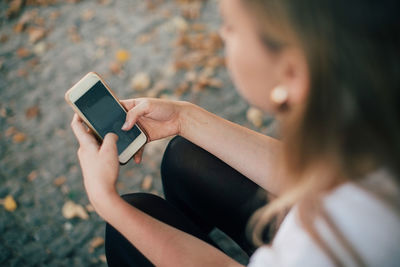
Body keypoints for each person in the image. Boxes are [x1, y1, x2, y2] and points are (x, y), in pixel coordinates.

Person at [70, 0, 400, 266]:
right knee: (187, 155)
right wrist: (185, 118)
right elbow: (328, 179)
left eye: (231, 26)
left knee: (129, 231)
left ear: (291, 71)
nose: (223, 35)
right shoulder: (375, 121)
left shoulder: (322, 250)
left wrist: (106, 201)